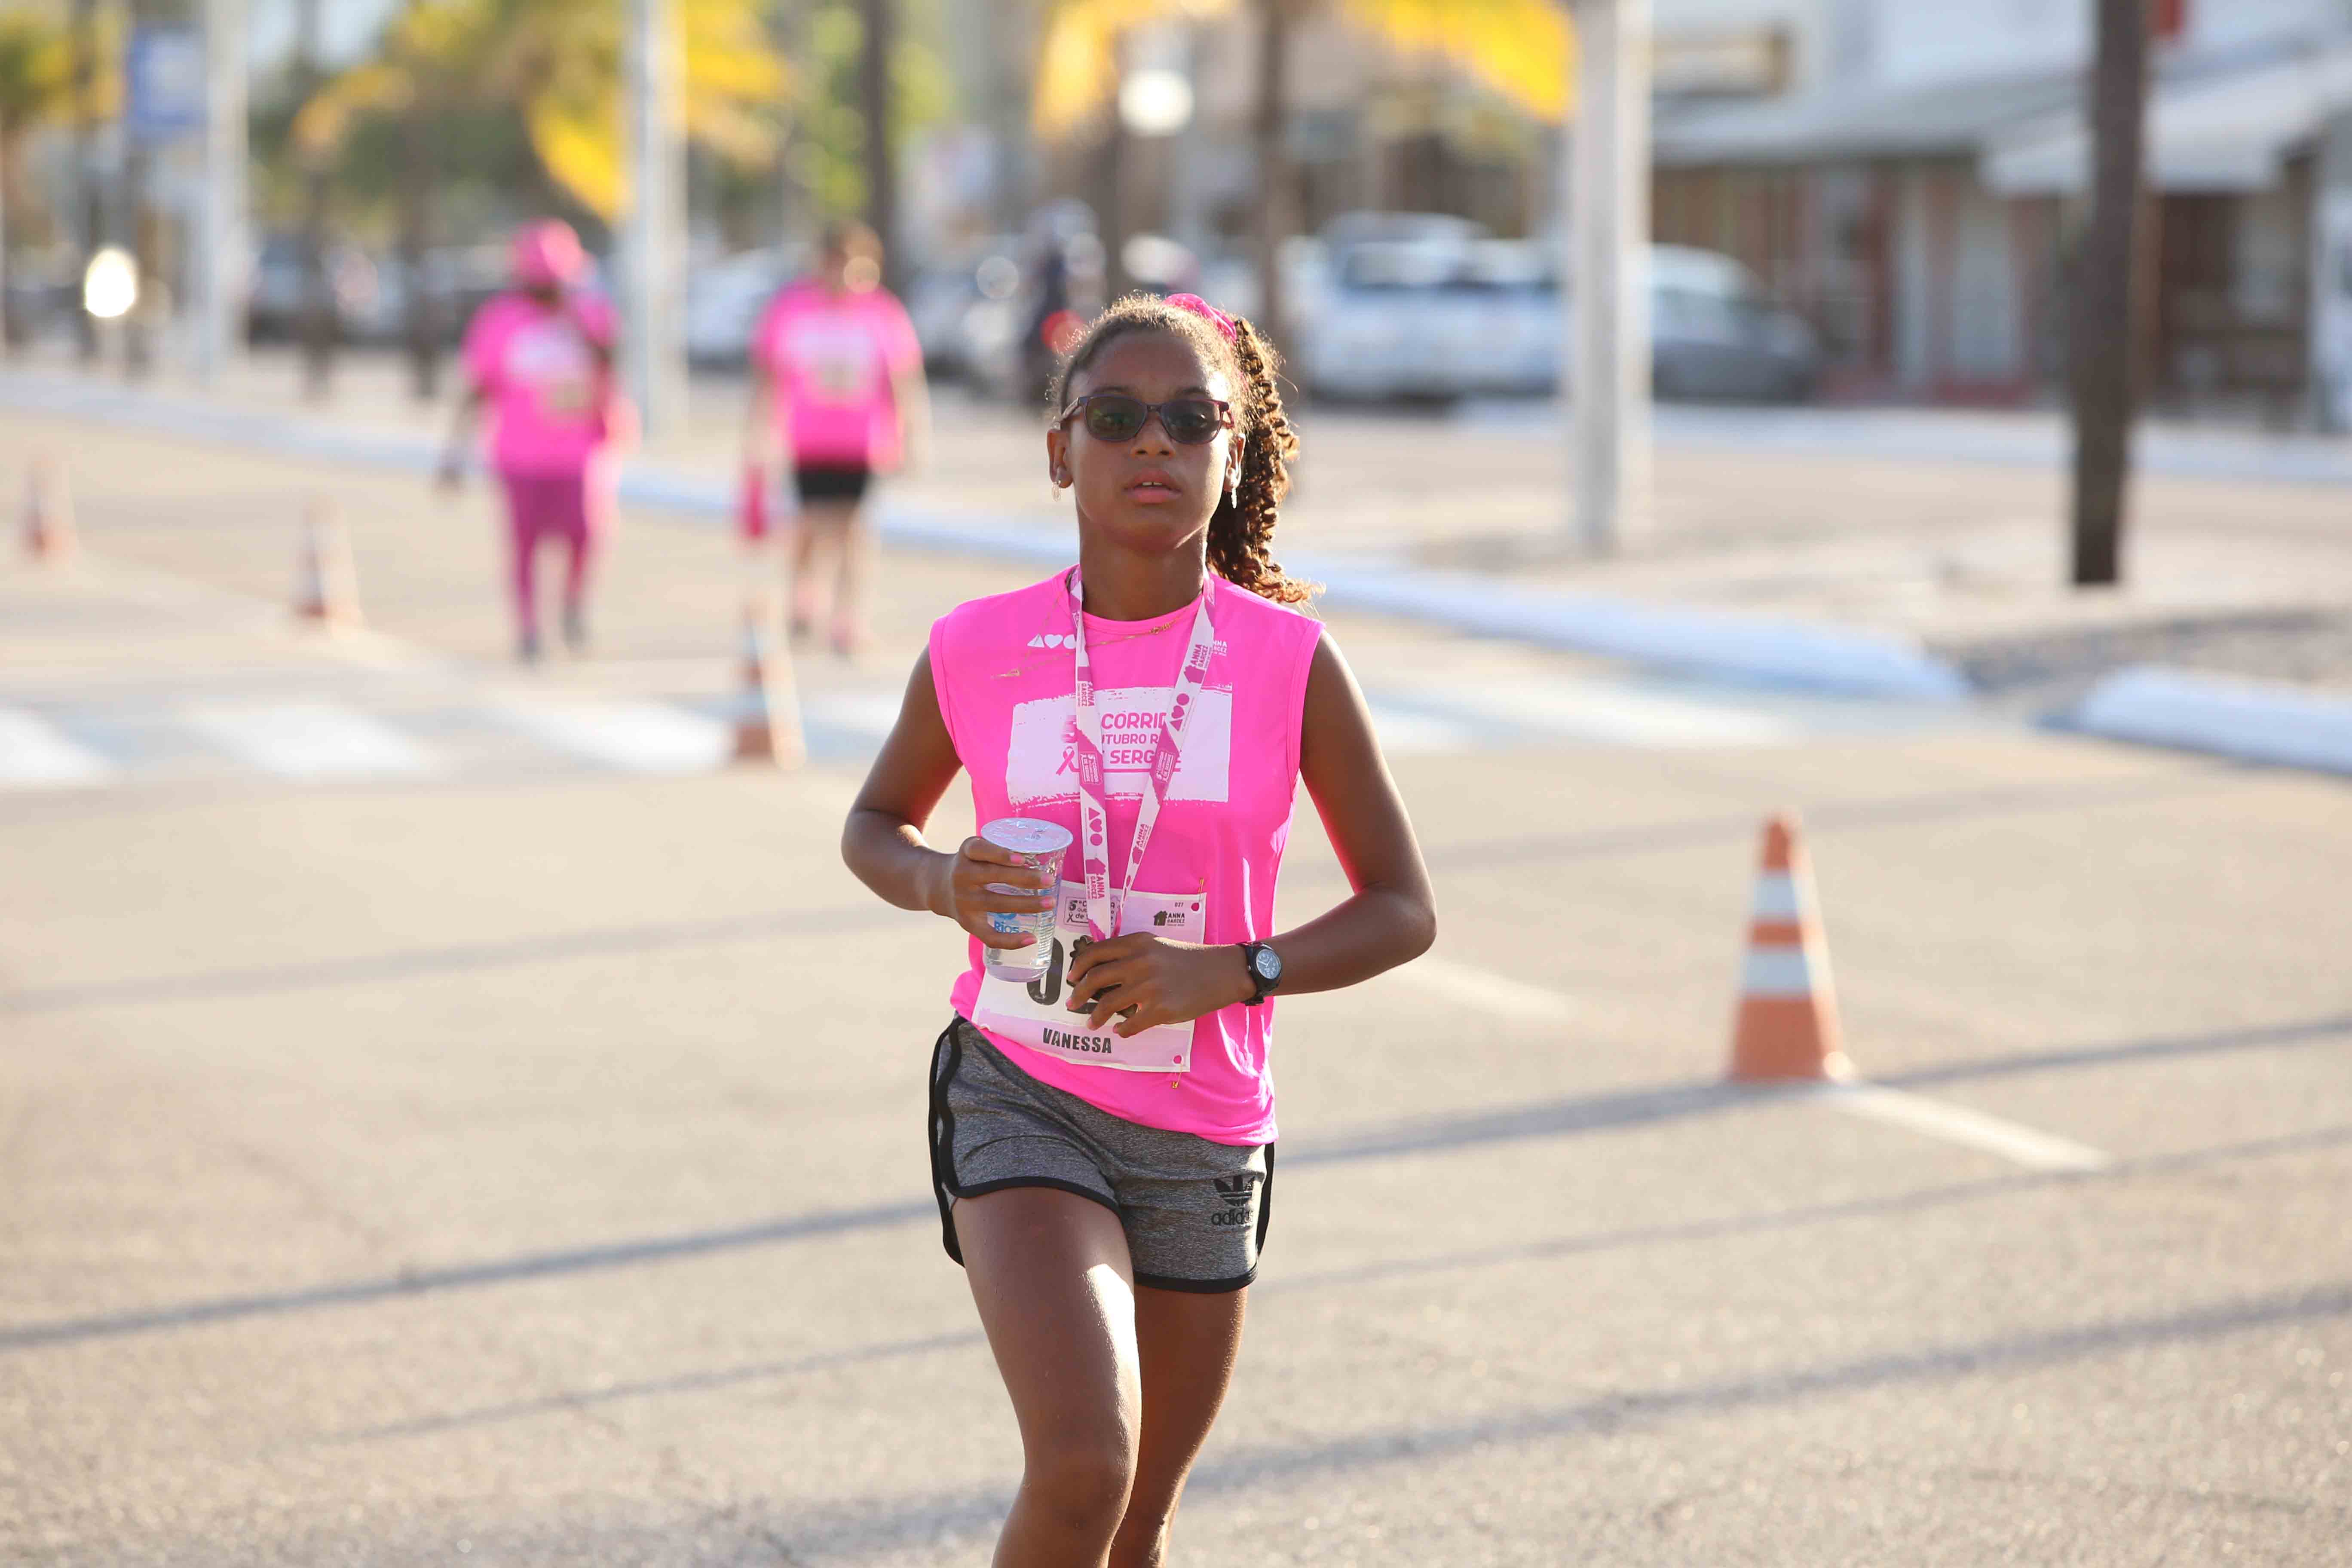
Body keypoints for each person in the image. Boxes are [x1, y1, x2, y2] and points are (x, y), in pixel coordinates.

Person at [841, 293, 1436, 1565]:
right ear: (1061, 449)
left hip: (1203, 1126)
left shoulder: (1289, 662)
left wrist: (1233, 970)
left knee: (1137, 1518)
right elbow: (873, 826)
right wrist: (944, 882)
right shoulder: (978, 646)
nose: (1152, 442)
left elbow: (1403, 907)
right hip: (1021, 1087)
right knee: (1083, 1466)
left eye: (1189, 419)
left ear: (1232, 452)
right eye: (1114, 417)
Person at [438, 220, 629, 664]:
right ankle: (528, 628)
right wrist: (454, 453)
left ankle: (573, 605)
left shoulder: (590, 314)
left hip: (580, 452)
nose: (550, 292)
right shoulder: (500, 322)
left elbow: (611, 363)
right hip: (520, 456)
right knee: (525, 545)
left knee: (586, 533)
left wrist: (575, 321)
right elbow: (479, 389)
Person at [741, 219, 930, 658]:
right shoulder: (792, 309)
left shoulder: (882, 313)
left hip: (862, 443)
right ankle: (803, 595)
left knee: (853, 530)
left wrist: (913, 437)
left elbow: (903, 380)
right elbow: (768, 376)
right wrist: (757, 435)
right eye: (834, 263)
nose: (842, 274)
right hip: (808, 440)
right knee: (809, 524)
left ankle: (847, 619)